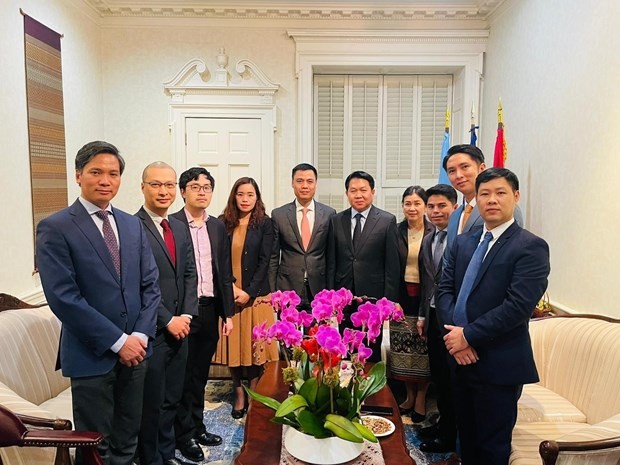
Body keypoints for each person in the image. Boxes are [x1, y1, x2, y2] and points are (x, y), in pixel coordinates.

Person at [36, 141, 160, 465]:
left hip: (137, 353)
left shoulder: (132, 224)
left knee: (126, 442)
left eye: (113, 173)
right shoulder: (55, 227)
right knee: (94, 450)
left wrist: (141, 337)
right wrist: (119, 342)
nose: (105, 180)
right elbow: (64, 298)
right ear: (78, 175)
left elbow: (150, 286)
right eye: (96, 172)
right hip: (92, 356)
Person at [437, 168, 550, 465]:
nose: (492, 200)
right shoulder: (464, 242)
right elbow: (445, 290)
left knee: (492, 445)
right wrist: (454, 339)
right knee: (467, 438)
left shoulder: (530, 247)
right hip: (459, 358)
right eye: (484, 194)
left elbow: (517, 307)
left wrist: (468, 336)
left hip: (497, 363)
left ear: (515, 197)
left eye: (500, 193)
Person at [136, 162, 198, 465]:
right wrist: (168, 320)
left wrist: (186, 315)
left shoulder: (177, 225)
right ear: (143, 187)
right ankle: (151, 457)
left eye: (169, 185)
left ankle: (166, 450)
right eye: (156, 184)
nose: (164, 191)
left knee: (173, 396)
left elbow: (189, 273)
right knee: (153, 400)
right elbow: (136, 285)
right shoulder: (133, 227)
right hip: (152, 329)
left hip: (181, 327)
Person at [172, 167, 235, 463]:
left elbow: (224, 272)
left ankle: (197, 426)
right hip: (182, 313)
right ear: (183, 191)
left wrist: (229, 314)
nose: (202, 191)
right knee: (182, 377)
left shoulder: (217, 227)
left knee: (200, 376)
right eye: (195, 186)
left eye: (207, 187)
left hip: (209, 309)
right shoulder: (170, 224)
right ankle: (182, 435)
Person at [214, 177, 278, 418]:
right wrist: (229, 287)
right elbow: (218, 259)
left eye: (250, 195)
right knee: (234, 347)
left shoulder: (266, 224)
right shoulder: (222, 223)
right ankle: (238, 392)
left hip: (255, 295)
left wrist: (249, 292)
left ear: (257, 197)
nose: (245, 199)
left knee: (253, 348)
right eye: (241, 194)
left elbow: (266, 262)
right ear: (234, 196)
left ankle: (253, 392)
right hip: (229, 293)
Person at [326, 170, 400, 362]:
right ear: (347, 193)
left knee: (370, 350)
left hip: (373, 298)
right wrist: (332, 298)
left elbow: (392, 265)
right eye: (353, 190)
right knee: (346, 348)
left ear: (373, 192)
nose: (358, 195)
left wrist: (388, 302)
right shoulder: (336, 220)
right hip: (346, 299)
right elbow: (332, 262)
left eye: (363, 190)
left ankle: (370, 391)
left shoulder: (386, 220)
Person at [416, 184, 459, 453]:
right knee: (439, 376)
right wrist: (422, 314)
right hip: (431, 315)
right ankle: (443, 423)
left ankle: (449, 435)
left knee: (452, 378)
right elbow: (427, 282)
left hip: (452, 318)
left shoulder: (461, 239)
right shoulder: (429, 237)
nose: (435, 211)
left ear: (455, 208)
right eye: (431, 206)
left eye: (441, 206)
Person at [389, 186, 434, 422]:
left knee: (424, 349)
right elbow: (389, 267)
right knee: (402, 348)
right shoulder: (394, 231)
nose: (412, 208)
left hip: (426, 296)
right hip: (401, 296)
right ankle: (408, 395)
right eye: (408, 203)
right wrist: (392, 300)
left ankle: (421, 398)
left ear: (424, 206)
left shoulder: (434, 231)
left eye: (417, 203)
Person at [269, 163, 336, 307]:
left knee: (319, 330)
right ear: (292, 183)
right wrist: (273, 292)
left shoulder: (329, 214)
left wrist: (331, 291)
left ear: (316, 184)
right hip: (287, 288)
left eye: (309, 181)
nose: (305, 186)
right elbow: (273, 257)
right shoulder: (279, 214)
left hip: (319, 289)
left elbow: (331, 257)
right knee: (287, 329)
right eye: (299, 181)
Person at [443, 144, 523, 264]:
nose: (458, 175)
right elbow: (449, 260)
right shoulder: (454, 216)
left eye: (465, 167)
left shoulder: (504, 208)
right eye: (452, 171)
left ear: (481, 168)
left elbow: (511, 252)